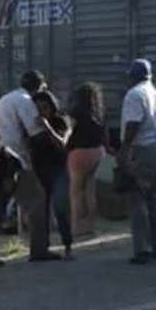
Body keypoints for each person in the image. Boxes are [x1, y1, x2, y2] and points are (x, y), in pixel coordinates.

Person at [0, 70, 59, 262]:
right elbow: (36, 133)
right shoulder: (26, 101)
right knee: (37, 201)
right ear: (40, 86)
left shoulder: (5, 99)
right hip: (15, 160)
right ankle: (39, 249)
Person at [119, 59, 156, 265]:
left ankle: (143, 249)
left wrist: (124, 149)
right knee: (153, 199)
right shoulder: (155, 93)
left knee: (137, 197)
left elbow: (133, 122)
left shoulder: (134, 94)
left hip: (143, 148)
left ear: (132, 76)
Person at [31, 90, 74, 259]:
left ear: (52, 107)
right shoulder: (31, 124)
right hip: (39, 170)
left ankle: (68, 244)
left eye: (45, 107)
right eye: (38, 108)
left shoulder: (60, 121)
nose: (42, 112)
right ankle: (43, 248)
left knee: (60, 207)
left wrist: (47, 128)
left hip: (58, 169)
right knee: (41, 212)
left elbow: (63, 145)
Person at [67, 82, 107, 238]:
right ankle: (91, 226)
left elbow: (69, 131)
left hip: (79, 153)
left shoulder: (75, 111)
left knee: (76, 192)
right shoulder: (99, 112)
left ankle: (76, 227)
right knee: (91, 191)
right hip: (97, 152)